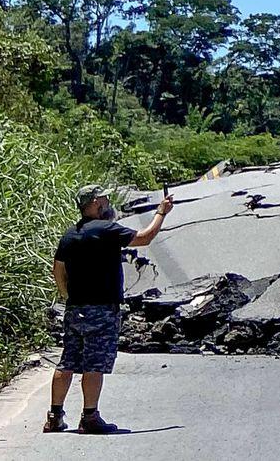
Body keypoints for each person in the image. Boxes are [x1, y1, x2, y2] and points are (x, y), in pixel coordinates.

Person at [44, 185, 174, 434]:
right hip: (102, 309)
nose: (108, 202)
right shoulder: (106, 229)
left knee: (67, 361)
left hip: (75, 309)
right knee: (94, 363)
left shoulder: (70, 235)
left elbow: (57, 269)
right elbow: (144, 237)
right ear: (94, 203)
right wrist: (161, 212)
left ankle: (54, 416)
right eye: (104, 198)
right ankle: (90, 417)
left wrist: (66, 294)